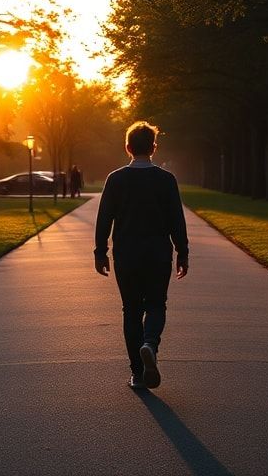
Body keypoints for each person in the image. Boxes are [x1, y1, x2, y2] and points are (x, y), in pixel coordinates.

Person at [94, 121, 189, 390]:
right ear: (154, 148)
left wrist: (100, 253)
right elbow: (176, 221)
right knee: (157, 305)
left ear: (127, 147)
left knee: (131, 311)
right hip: (158, 253)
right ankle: (150, 344)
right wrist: (183, 253)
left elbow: (104, 219)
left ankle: (137, 372)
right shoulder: (166, 180)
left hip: (127, 254)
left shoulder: (115, 179)